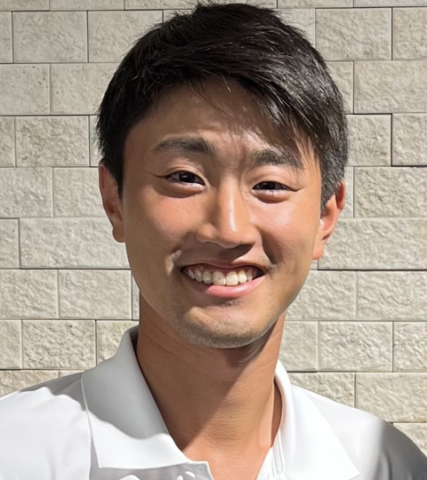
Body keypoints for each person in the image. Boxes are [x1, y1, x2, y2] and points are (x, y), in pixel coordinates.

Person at [1, 2, 426, 479]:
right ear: (114, 199)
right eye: (185, 177)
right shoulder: (15, 453)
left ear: (326, 216)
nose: (229, 229)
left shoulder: (386, 466)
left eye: (270, 184)